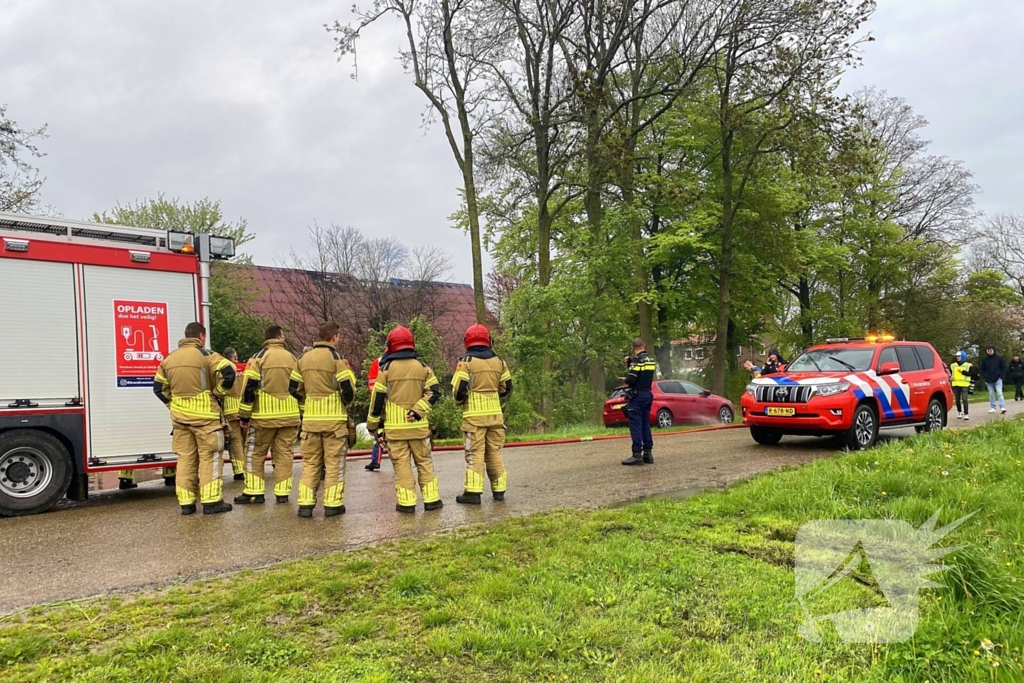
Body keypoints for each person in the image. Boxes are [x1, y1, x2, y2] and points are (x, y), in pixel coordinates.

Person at [152, 322, 236, 515]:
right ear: (201, 336)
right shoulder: (207, 355)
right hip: (207, 419)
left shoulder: (168, 359)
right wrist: (217, 393)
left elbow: (158, 389)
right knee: (211, 459)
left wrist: (173, 405)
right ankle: (211, 502)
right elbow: (229, 373)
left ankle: (186, 504)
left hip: (181, 420)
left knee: (185, 460)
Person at [366, 326, 443, 513]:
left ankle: (407, 504)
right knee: (424, 463)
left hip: (395, 431)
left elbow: (377, 402)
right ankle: (432, 500)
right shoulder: (424, 368)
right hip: (418, 428)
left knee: (401, 466)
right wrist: (418, 411)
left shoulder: (385, 370)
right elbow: (435, 392)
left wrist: (372, 425)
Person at [290, 322, 357, 518]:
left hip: (310, 422)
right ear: (334, 337)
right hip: (334, 423)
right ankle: (332, 504)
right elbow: (347, 389)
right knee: (334, 462)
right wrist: (343, 403)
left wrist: (308, 399)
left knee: (310, 463)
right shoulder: (337, 359)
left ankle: (305, 504)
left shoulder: (303, 359)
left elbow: (293, 388)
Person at [235, 325, 301, 504]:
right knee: (285, 454)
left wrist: (244, 415)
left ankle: (254, 492)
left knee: (255, 453)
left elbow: (249, 387)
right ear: (280, 336)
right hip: (290, 415)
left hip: (263, 417)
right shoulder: (293, 358)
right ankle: (282, 493)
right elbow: (300, 387)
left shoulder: (258, 358)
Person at [452, 324, 512, 504]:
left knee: (475, 453)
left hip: (474, 418)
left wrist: (460, 401)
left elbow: (459, 390)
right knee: (494, 452)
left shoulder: (466, 362)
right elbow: (506, 388)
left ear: (467, 341)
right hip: (495, 416)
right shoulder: (499, 362)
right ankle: (499, 490)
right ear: (488, 340)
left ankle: (473, 493)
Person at [621, 338, 657, 466]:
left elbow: (632, 379)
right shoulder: (651, 361)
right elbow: (643, 371)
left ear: (633, 348)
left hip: (637, 396)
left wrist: (625, 379)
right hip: (648, 394)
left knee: (635, 424)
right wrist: (630, 361)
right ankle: (648, 453)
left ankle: (636, 454)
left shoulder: (636, 362)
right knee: (645, 424)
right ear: (644, 346)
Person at [222, 347, 247, 481]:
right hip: (244, 409)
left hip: (230, 410)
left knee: (235, 441)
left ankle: (239, 471)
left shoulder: (224, 370)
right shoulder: (245, 368)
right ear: (235, 357)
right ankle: (250, 468)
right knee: (248, 441)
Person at [365, 353, 388, 472]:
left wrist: (375, 401)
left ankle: (376, 460)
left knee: (379, 433)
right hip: (397, 404)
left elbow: (372, 385)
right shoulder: (409, 360)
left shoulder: (378, 362)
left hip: (380, 402)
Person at [979, 345, 1008, 415]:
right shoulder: (985, 360)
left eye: (990, 350)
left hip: (998, 379)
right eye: (988, 350)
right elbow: (982, 369)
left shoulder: (999, 358)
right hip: (988, 380)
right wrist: (984, 376)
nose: (989, 352)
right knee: (991, 394)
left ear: (993, 350)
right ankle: (993, 407)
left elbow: (1004, 367)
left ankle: (1002, 407)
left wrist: (1001, 376)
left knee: (999, 393)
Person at [950, 351, 978, 421]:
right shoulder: (953, 365)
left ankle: (966, 413)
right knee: (957, 400)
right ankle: (959, 412)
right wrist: (950, 377)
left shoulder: (968, 365)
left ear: (963, 357)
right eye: (957, 356)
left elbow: (972, 374)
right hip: (956, 384)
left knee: (964, 399)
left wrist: (963, 372)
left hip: (965, 384)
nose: (957, 358)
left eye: (959, 356)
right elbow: (949, 373)